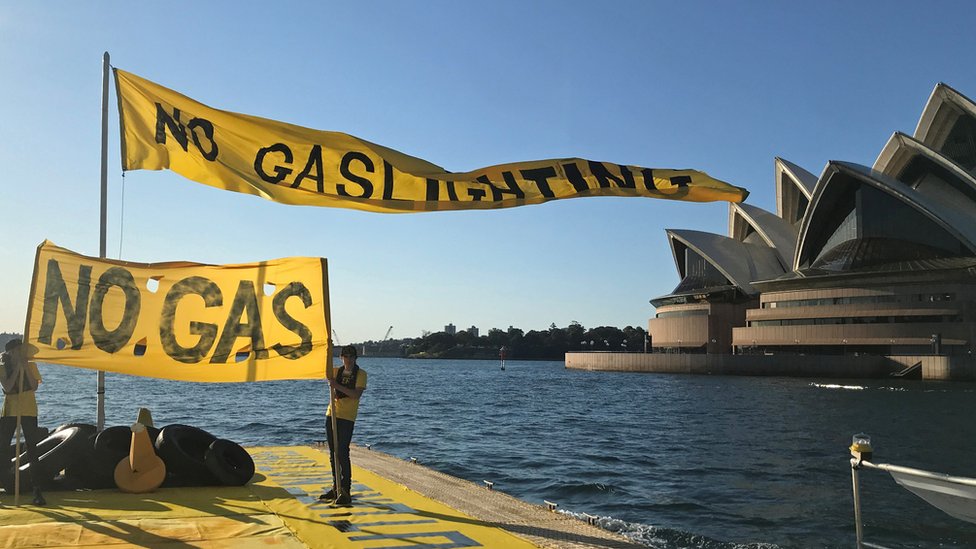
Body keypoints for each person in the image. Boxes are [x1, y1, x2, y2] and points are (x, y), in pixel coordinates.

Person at [0, 339, 46, 505]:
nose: (21, 354)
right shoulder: (3, 367)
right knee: (3, 447)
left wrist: (25, 367)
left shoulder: (31, 366)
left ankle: (37, 490)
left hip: (28, 410)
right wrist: (16, 369)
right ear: (11, 353)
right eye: (18, 351)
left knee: (32, 448)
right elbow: (7, 387)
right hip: (10, 411)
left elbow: (33, 386)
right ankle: (4, 482)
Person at [320, 344, 367, 505]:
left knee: (342, 452)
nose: (348, 359)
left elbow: (355, 394)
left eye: (351, 356)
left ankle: (345, 489)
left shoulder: (361, 374)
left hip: (347, 417)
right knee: (333, 453)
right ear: (341, 357)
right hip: (332, 414)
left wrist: (337, 386)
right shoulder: (335, 372)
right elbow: (324, 369)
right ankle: (336, 487)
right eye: (346, 356)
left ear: (355, 358)